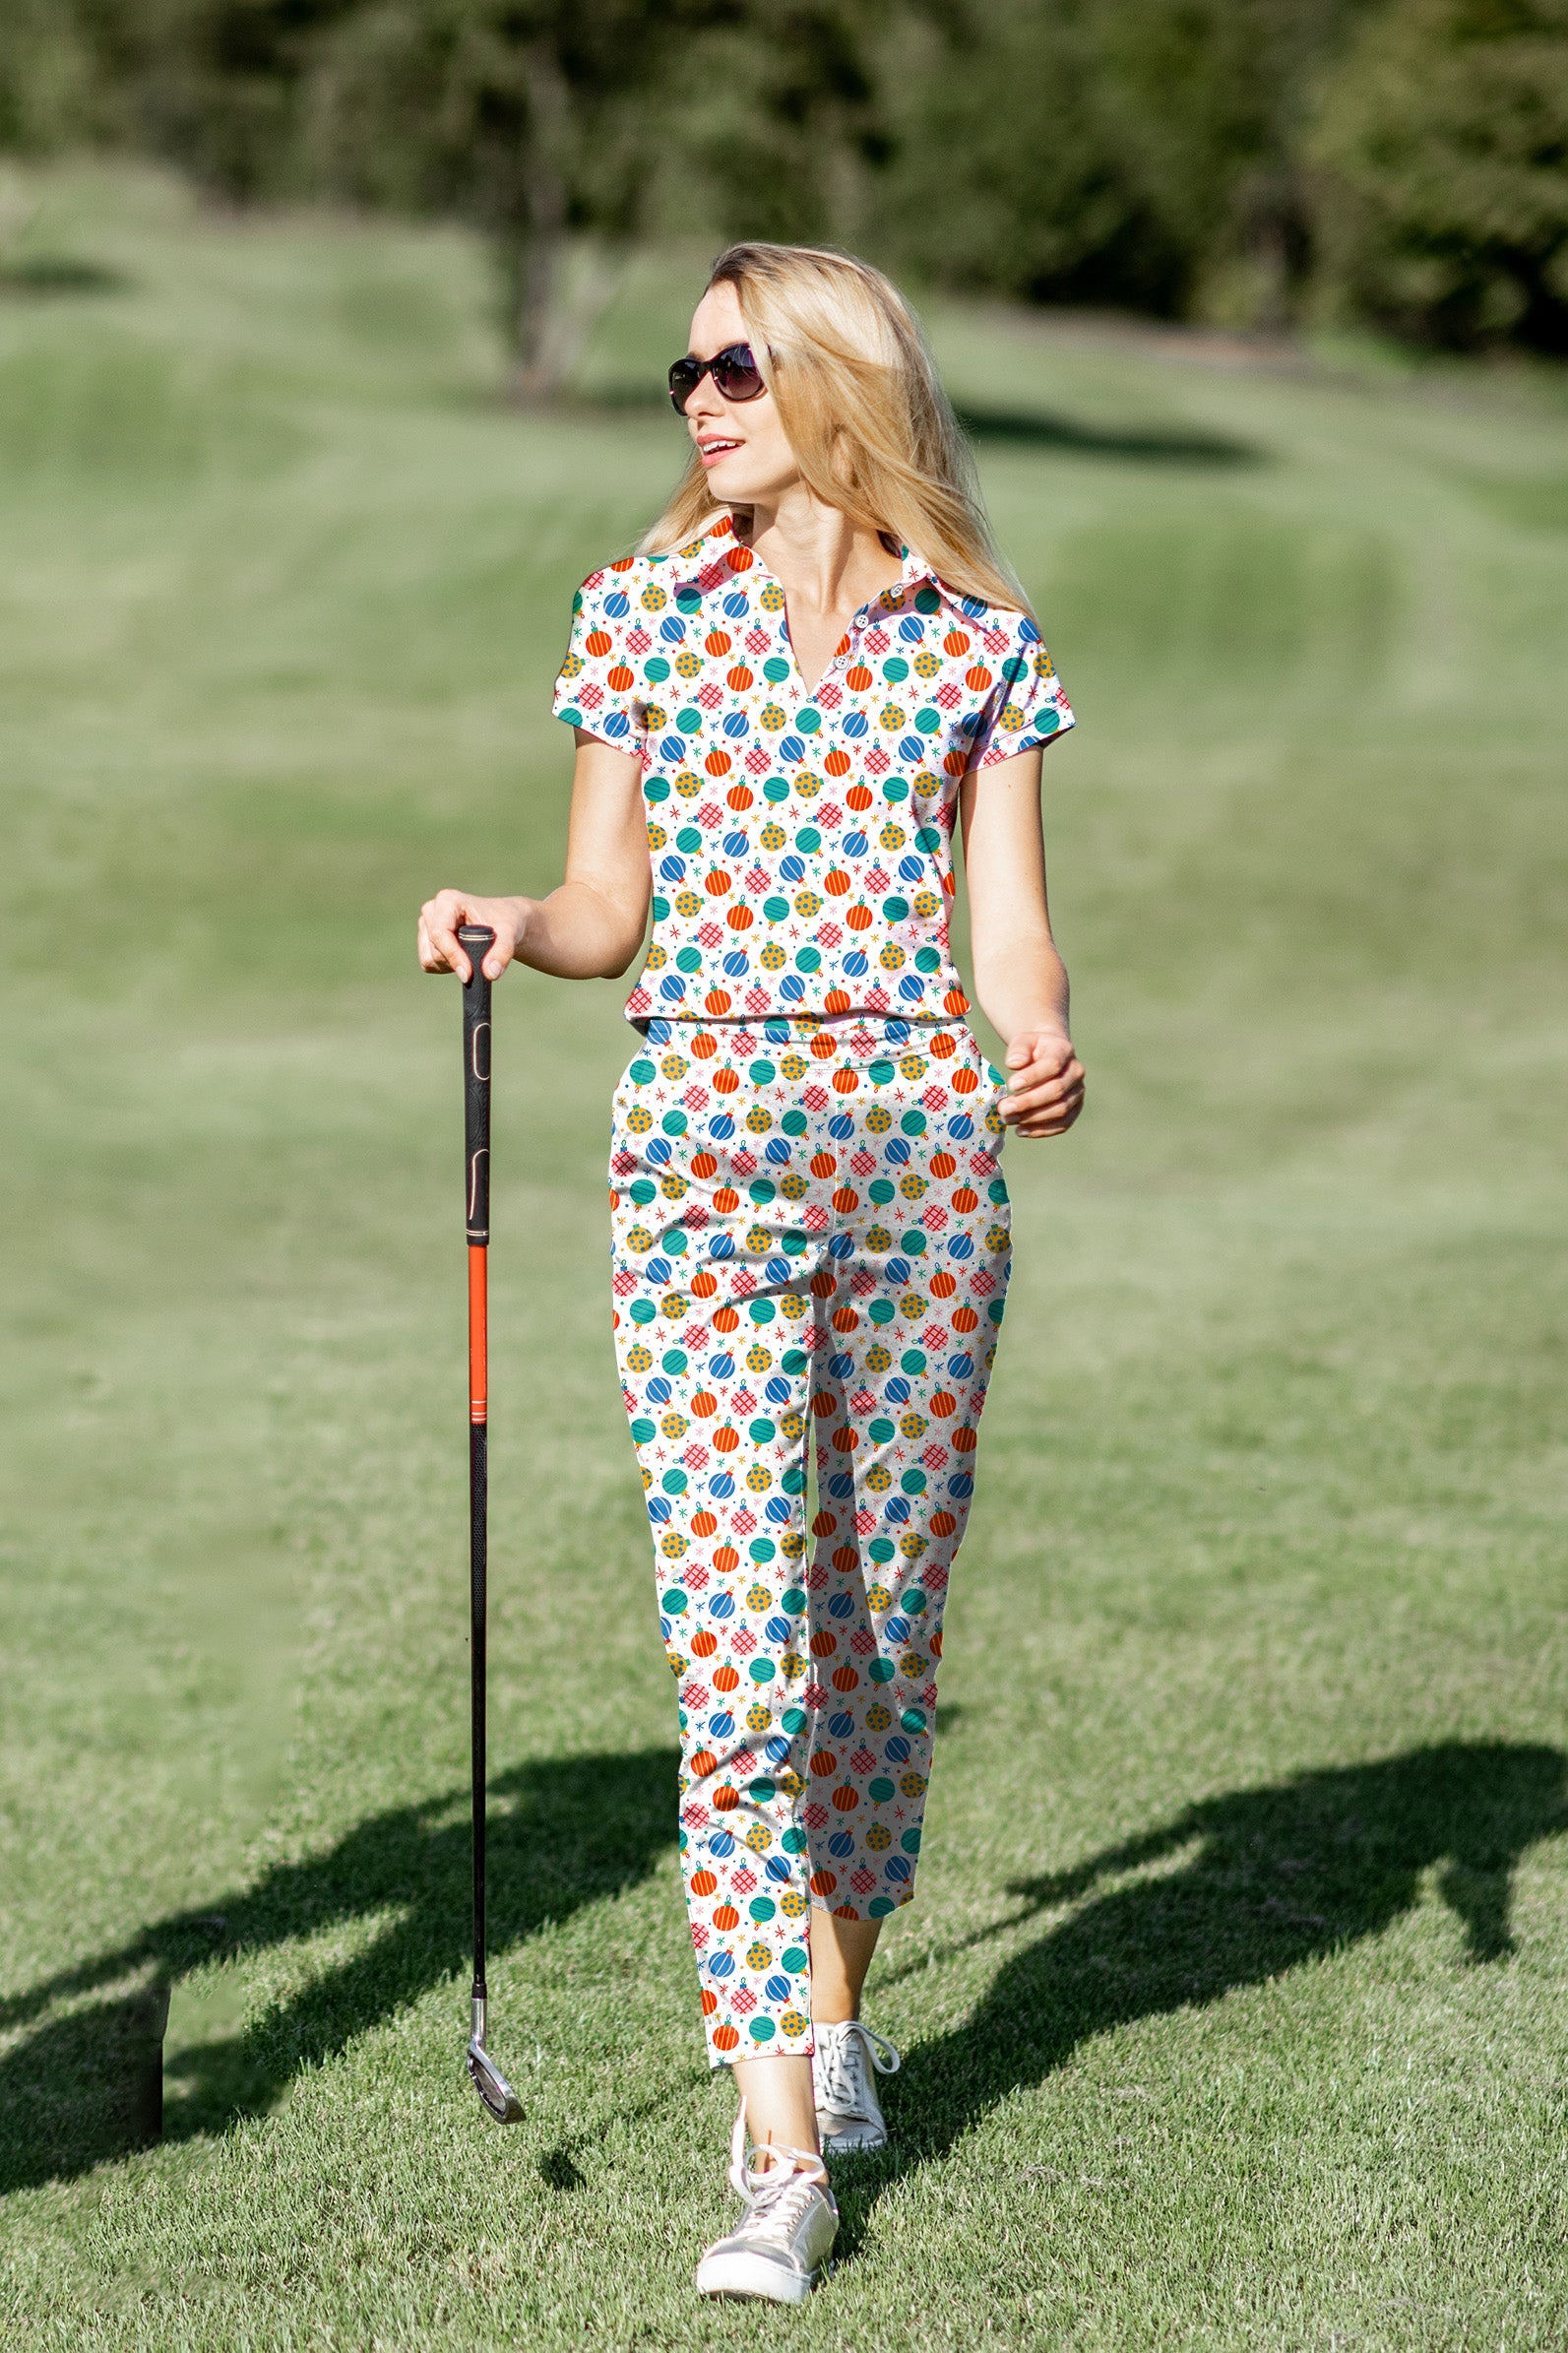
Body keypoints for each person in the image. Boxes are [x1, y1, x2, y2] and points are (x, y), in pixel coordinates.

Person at [418, 240, 1084, 2305]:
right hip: (698, 1156)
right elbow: (605, 902)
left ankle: (835, 2007)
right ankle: (778, 2144)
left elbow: (1005, 916)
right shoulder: (637, 611)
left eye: (731, 369)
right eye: (684, 374)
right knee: (738, 1663)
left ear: (829, 385)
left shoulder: (978, 644)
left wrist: (1039, 1030)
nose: (697, 401)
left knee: (875, 1644)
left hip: (916, 1162)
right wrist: (512, 921)